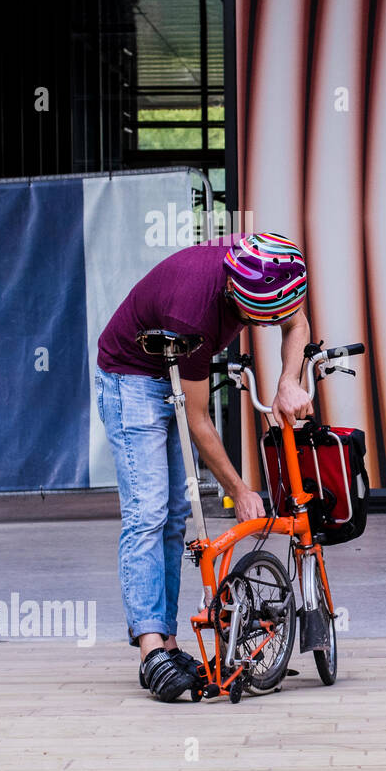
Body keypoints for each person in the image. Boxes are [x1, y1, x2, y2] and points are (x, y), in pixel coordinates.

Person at [95, 232, 314, 702]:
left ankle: (169, 645)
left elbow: (297, 324)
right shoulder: (191, 310)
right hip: (132, 377)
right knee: (148, 511)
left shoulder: (267, 265)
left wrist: (287, 383)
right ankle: (152, 650)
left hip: (172, 367)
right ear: (243, 303)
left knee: (175, 516)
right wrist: (239, 489)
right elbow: (197, 418)